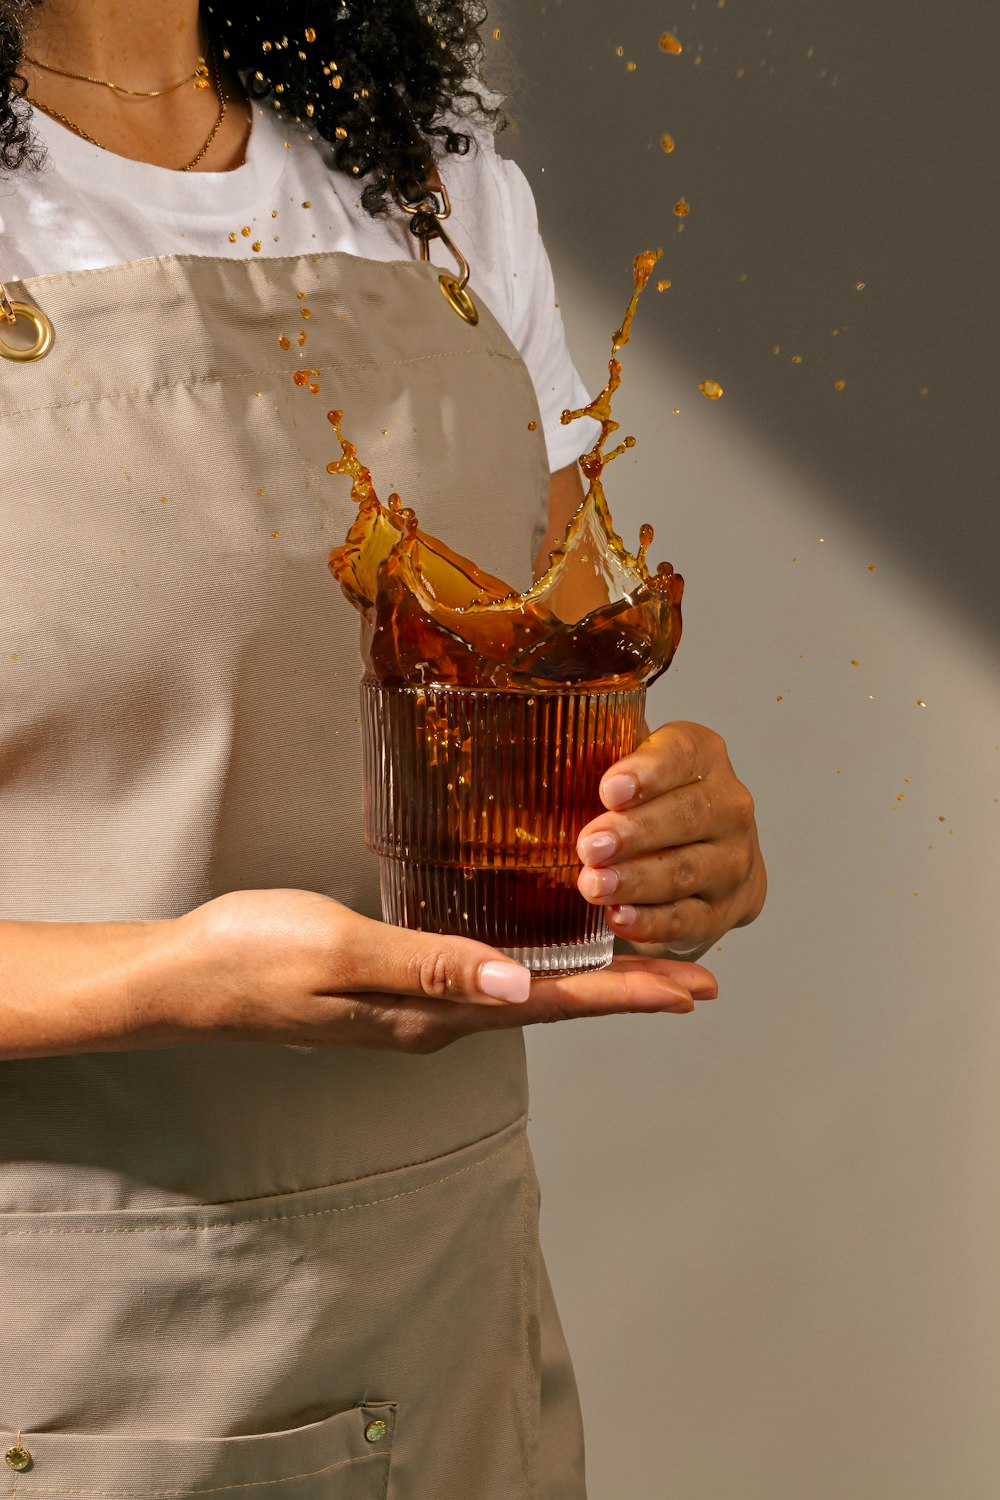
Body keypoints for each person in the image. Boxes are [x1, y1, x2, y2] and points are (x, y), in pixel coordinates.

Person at [0, 2, 766, 1495]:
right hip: (73, 1364)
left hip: (452, 1331)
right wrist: (183, 978)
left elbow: (558, 679)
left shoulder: (438, 184)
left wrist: (666, 831)